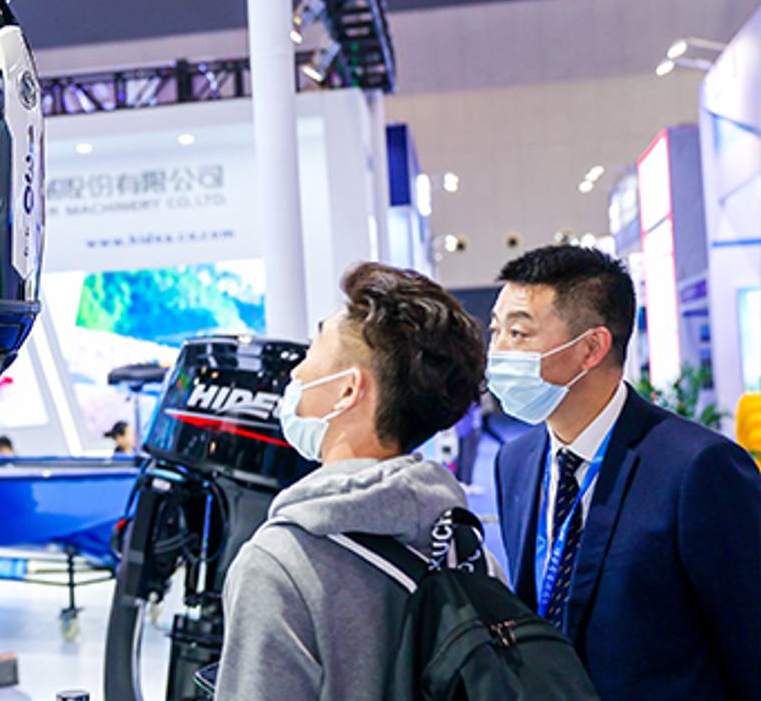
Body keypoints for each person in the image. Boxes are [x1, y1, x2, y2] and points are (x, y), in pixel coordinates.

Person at [489, 246, 761, 700]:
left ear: (591, 347)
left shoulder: (697, 467)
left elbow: (751, 640)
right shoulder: (515, 462)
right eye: (494, 331)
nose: (497, 351)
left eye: (518, 333)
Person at [216, 262, 489, 700]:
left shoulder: (281, 565)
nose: (294, 375)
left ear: (347, 390)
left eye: (310, 354)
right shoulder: (465, 547)